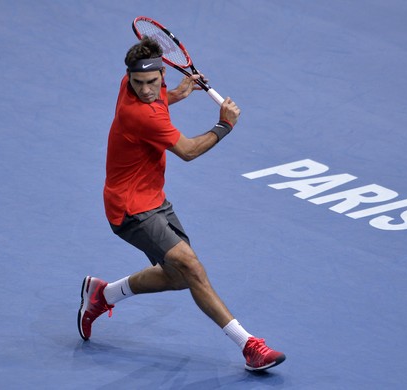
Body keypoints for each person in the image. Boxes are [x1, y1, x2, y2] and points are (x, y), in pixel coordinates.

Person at [77, 36, 285, 371]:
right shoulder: (141, 115)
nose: (145, 90)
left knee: (177, 278)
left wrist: (181, 92)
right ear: (128, 78)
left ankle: (104, 295)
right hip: (130, 210)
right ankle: (249, 345)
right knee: (192, 268)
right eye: (138, 83)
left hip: (154, 200)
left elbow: (160, 99)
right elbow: (187, 151)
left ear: (162, 73)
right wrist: (224, 125)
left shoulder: (139, 86)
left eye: (152, 82)